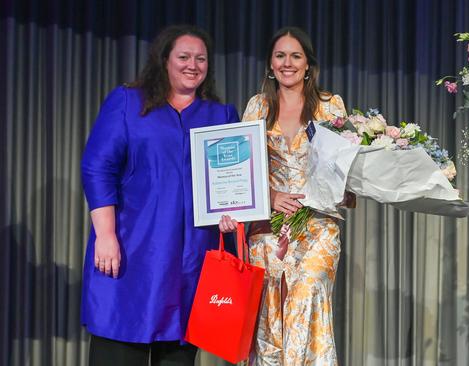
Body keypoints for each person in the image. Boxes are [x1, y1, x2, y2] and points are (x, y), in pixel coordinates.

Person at [80, 25, 238, 365]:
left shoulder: (221, 116)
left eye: (201, 58)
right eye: (183, 57)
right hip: (131, 254)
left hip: (190, 262)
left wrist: (232, 214)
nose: (192, 65)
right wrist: (105, 235)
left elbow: (232, 185)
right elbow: (97, 168)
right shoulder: (128, 102)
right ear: (164, 60)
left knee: (178, 354)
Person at [220, 26, 349, 365]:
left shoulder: (329, 106)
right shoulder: (258, 106)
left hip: (318, 227)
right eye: (280, 55)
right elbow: (241, 172)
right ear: (270, 64)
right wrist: (270, 195)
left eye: (296, 56)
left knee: (306, 296)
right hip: (267, 227)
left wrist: (345, 191)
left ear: (308, 65)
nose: (287, 63)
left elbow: (346, 174)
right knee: (269, 316)